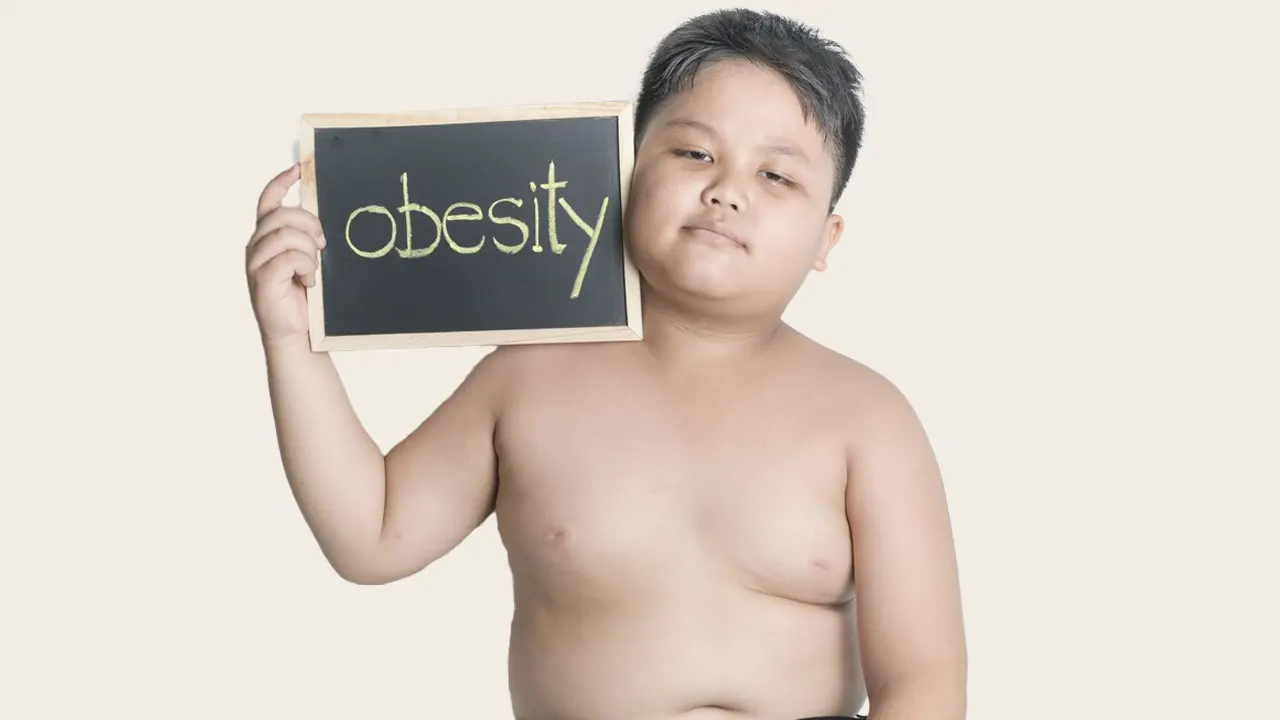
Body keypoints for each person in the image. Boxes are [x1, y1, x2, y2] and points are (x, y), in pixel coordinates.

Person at [244, 9, 966, 720]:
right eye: (693, 153)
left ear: (826, 238)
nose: (727, 190)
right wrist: (289, 341)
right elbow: (372, 534)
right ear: (623, 168)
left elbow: (924, 682)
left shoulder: (867, 419)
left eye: (777, 176)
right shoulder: (529, 378)